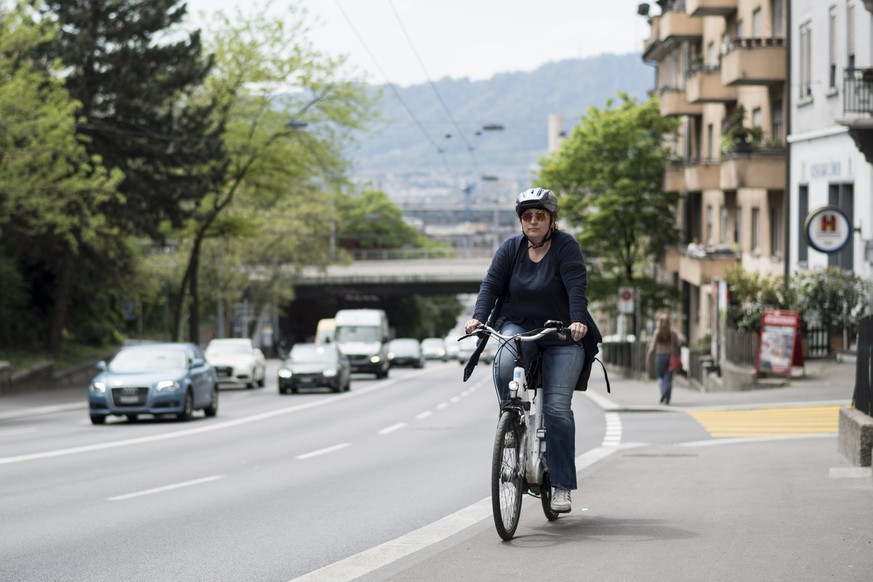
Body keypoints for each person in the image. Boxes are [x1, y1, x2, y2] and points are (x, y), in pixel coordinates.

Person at [464, 187, 594, 514]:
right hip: (520, 326)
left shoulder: (566, 247)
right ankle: (510, 418)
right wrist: (479, 317)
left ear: (552, 220)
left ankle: (562, 484)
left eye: (540, 215)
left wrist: (578, 320)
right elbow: (490, 286)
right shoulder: (511, 249)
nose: (533, 221)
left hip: (562, 333)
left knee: (556, 408)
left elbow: (577, 287)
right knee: (505, 354)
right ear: (521, 220)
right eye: (527, 216)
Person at [646, 313, 682, 405]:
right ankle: (667, 397)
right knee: (669, 379)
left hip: (660, 357)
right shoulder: (672, 332)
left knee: (660, 377)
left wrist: (649, 356)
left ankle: (663, 393)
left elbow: (652, 346)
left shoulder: (657, 332)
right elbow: (678, 343)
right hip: (670, 357)